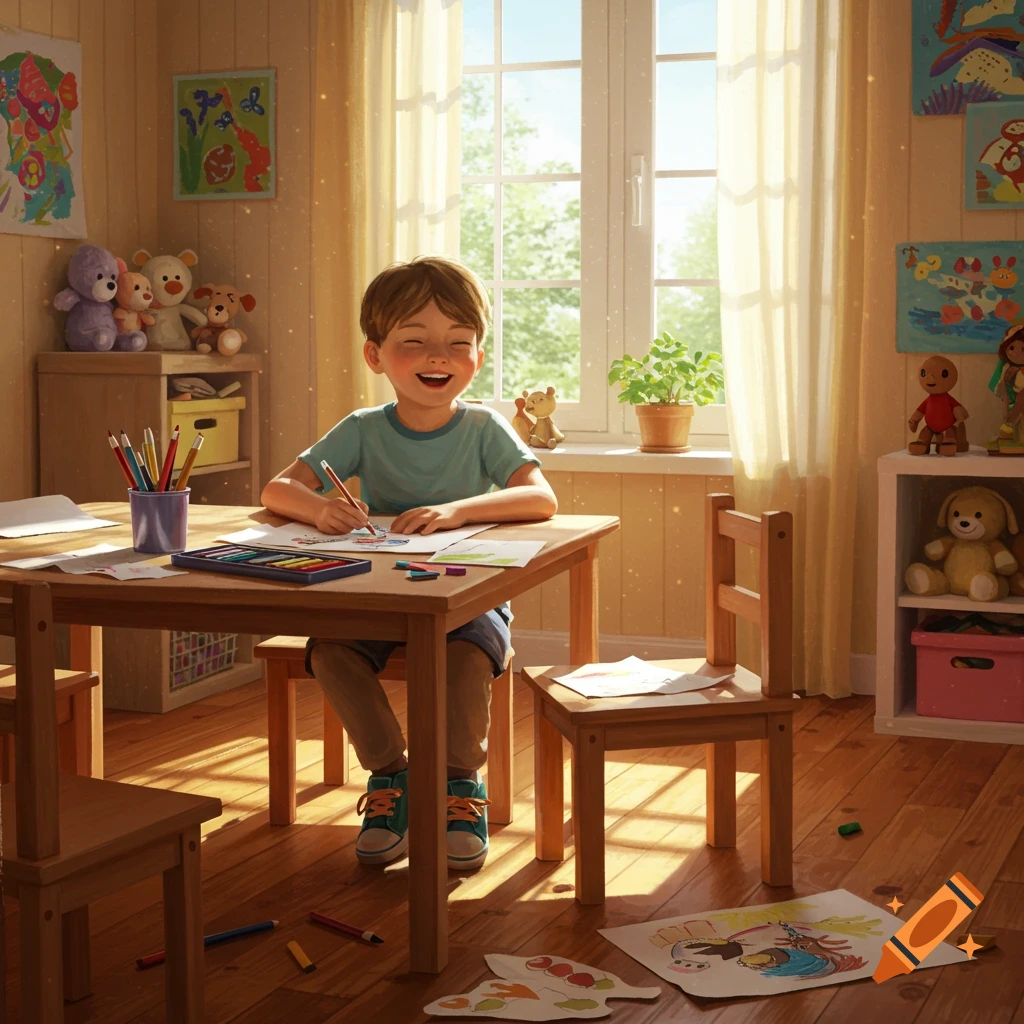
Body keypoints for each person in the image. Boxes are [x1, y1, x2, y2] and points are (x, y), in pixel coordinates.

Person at [261, 255, 557, 870]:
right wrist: (319, 512)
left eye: (458, 343)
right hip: (376, 594)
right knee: (330, 650)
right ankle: (391, 775)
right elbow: (276, 490)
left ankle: (457, 785)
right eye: (414, 343)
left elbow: (541, 497)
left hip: (466, 600)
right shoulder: (363, 428)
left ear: (478, 356)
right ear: (375, 355)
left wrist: (457, 510)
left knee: (465, 657)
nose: (438, 359)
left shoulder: (484, 427)